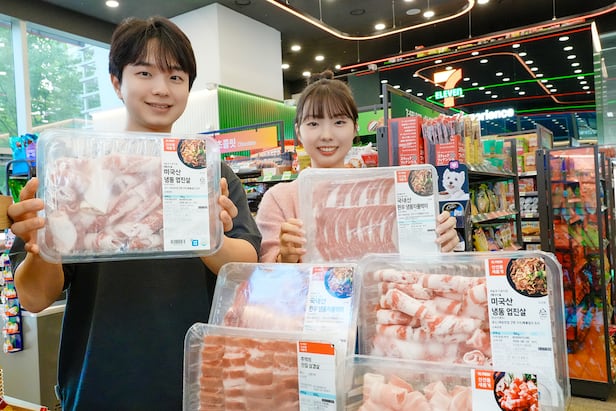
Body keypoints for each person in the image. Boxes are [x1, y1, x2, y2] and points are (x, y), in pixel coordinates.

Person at [8, 17, 261, 410]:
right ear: (116, 82)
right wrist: (43, 245)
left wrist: (206, 232)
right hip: (100, 382)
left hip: (198, 382)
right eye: (144, 73)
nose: (161, 88)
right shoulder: (76, 173)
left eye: (176, 77)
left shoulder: (211, 173)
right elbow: (34, 297)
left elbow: (246, 270)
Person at [256, 70, 458, 263]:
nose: (326, 135)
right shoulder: (279, 199)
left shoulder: (387, 190)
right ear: (298, 132)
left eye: (339, 122)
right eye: (313, 124)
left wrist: (440, 241)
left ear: (355, 128)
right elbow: (267, 273)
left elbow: (414, 262)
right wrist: (285, 258)